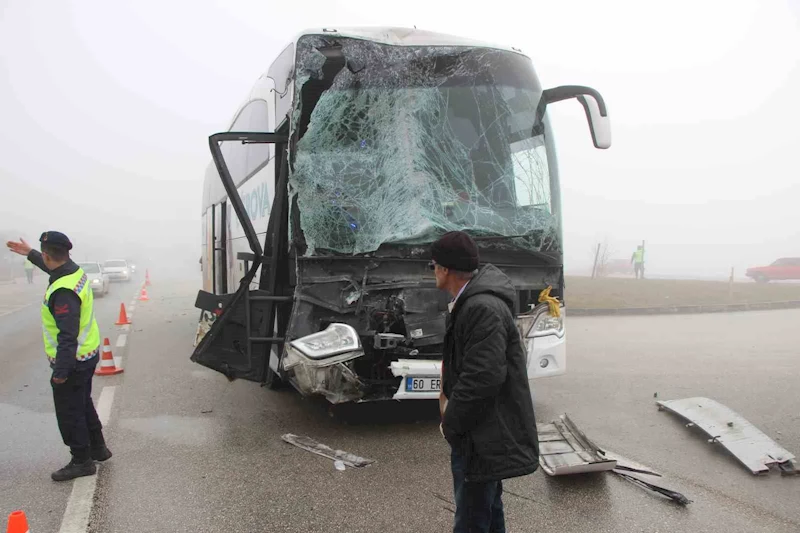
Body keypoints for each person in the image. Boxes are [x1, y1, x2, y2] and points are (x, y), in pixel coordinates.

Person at [432, 231, 539, 533]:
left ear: (446, 270)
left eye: (434, 265)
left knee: (472, 518)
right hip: (483, 431)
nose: (433, 271)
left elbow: (482, 378)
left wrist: (451, 424)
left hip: (480, 434)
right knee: (488, 511)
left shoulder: (481, 308)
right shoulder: (472, 302)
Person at [6, 232, 112, 481]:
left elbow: (67, 335)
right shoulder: (74, 272)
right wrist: (30, 253)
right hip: (88, 355)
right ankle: (98, 448)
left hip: (73, 361)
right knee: (83, 404)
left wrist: (61, 373)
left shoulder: (63, 291)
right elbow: (52, 267)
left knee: (70, 412)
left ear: (48, 254)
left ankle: (81, 460)